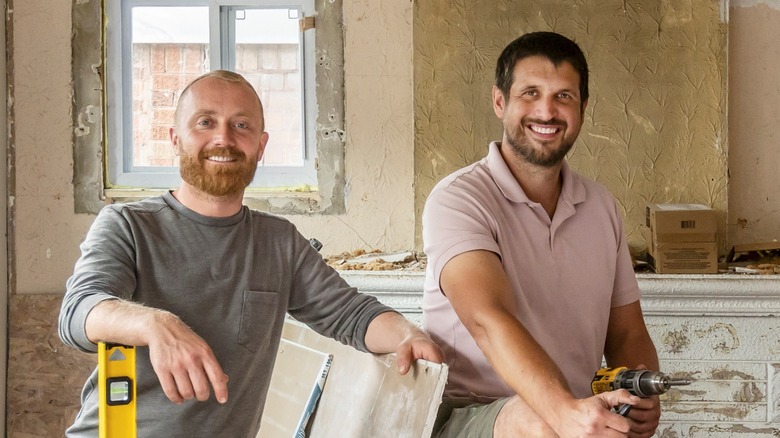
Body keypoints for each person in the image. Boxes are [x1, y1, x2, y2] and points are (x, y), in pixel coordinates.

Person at [59, 70, 444, 437]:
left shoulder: (279, 242)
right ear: (175, 138)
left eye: (241, 125)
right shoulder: (128, 224)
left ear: (260, 145)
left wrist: (408, 334)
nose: (223, 139)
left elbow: (351, 315)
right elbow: (79, 311)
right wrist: (157, 326)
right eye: (205, 122)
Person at [422, 32, 661, 438]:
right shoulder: (458, 199)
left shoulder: (601, 207)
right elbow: (487, 319)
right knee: (537, 424)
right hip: (468, 415)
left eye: (563, 96)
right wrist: (564, 413)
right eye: (530, 93)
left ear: (583, 108)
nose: (546, 112)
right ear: (500, 102)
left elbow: (626, 332)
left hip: (571, 414)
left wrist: (638, 396)